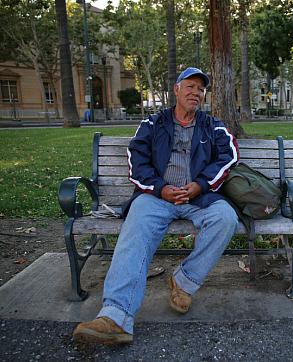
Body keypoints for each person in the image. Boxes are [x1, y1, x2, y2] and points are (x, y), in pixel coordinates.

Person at [72, 67, 239, 345]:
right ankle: (116, 316)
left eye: (201, 89)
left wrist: (200, 184)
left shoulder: (213, 126)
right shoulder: (153, 124)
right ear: (176, 89)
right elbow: (137, 160)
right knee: (135, 228)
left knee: (226, 218)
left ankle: (183, 282)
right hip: (157, 197)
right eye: (190, 86)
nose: (196, 93)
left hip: (199, 197)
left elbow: (229, 155)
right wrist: (161, 189)